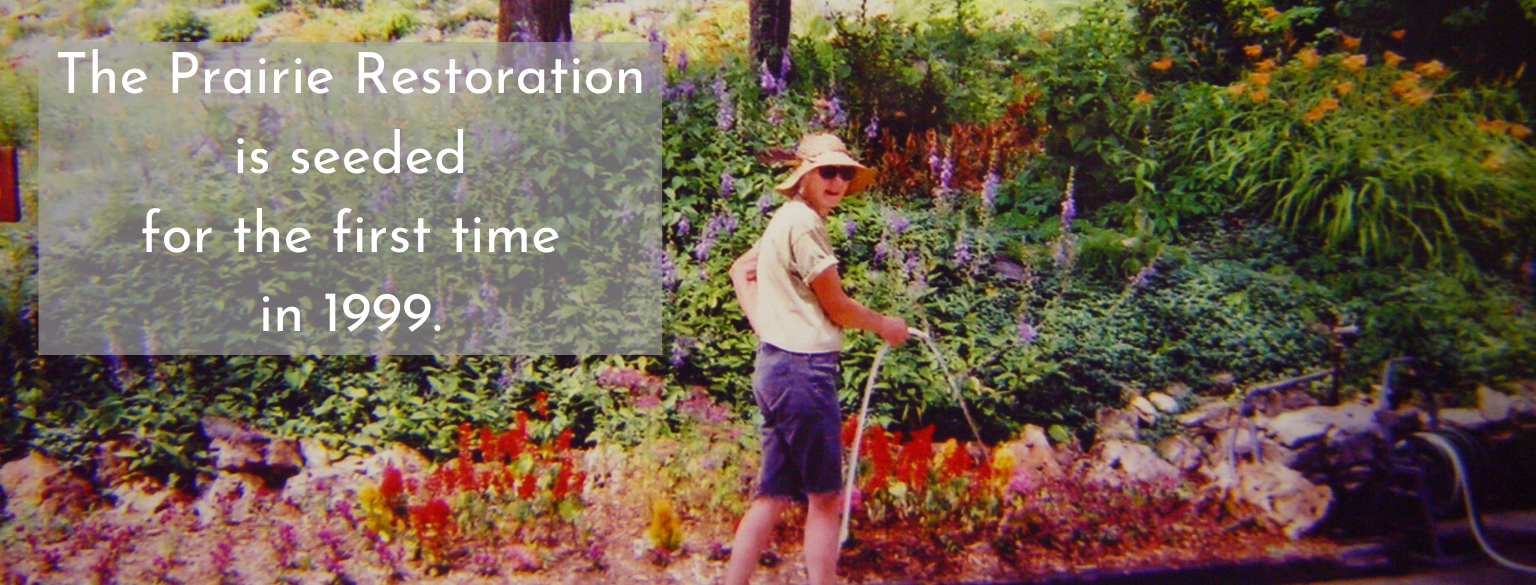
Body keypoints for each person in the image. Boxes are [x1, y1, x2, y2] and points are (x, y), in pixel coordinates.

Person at [724, 133, 910, 585]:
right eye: (827, 171)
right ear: (804, 177)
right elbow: (838, 306)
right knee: (825, 499)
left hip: (774, 369)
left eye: (845, 172)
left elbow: (740, 271)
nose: (837, 180)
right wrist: (886, 324)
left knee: (772, 496)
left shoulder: (784, 220)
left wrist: (767, 327)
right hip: (804, 373)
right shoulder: (804, 226)